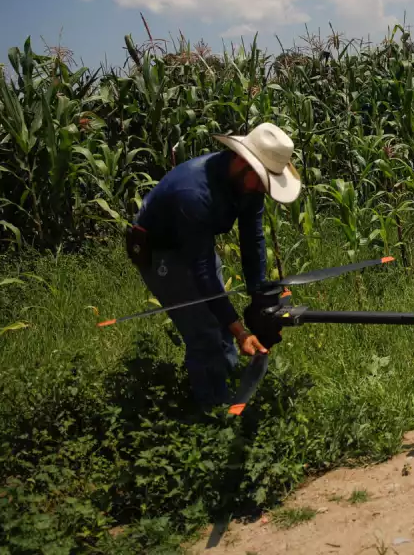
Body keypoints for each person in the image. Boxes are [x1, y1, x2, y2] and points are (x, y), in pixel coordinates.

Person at [128, 122, 303, 409]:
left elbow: (252, 237)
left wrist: (259, 295)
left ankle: (228, 392)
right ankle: (211, 416)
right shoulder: (193, 193)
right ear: (243, 162)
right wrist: (242, 332)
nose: (262, 189)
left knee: (221, 328)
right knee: (205, 333)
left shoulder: (247, 185)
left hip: (198, 246)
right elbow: (202, 271)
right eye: (261, 180)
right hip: (165, 255)